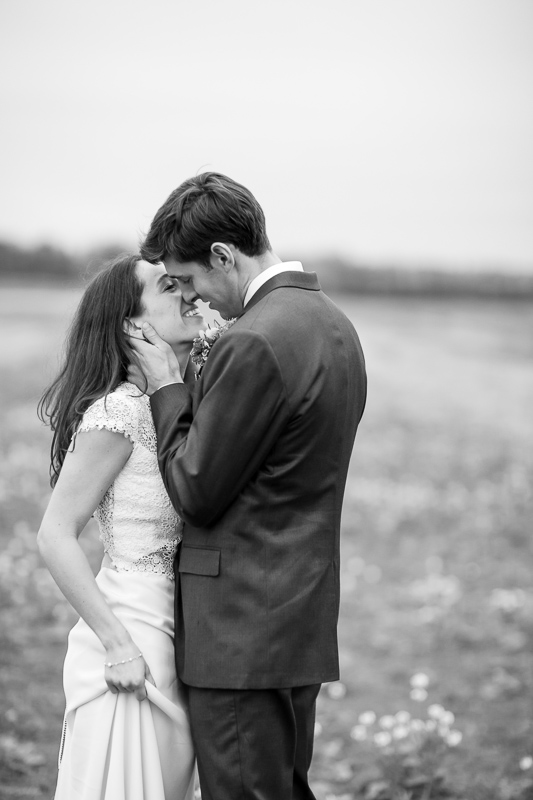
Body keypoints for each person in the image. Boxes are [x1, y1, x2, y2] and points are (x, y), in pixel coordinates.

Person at [128, 172, 367, 800]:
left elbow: (197, 488)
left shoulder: (255, 339)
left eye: (189, 280)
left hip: (239, 631)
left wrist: (165, 387)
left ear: (222, 257)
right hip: (296, 616)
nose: (194, 298)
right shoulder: (334, 325)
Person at [37, 253, 202, 800]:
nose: (188, 292)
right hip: (133, 637)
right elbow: (55, 533)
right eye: (168, 286)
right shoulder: (120, 412)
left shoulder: (182, 405)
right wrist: (116, 644)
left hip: (186, 633)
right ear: (132, 324)